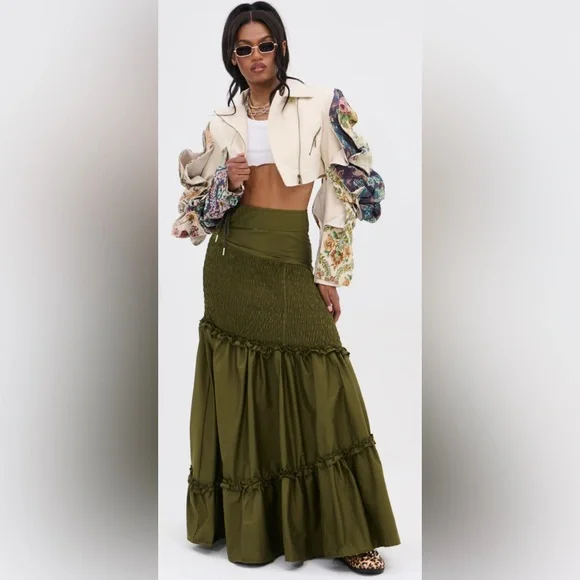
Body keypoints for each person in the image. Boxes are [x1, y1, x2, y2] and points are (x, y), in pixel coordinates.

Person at [172, 2, 401, 575]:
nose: (256, 57)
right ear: (232, 57)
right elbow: (199, 218)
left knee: (322, 381)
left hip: (289, 254)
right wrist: (225, 183)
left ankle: (346, 530)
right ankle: (252, 523)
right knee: (244, 391)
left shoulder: (319, 103)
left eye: (265, 45)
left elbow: (348, 188)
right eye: (243, 48)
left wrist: (328, 272)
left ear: (280, 47)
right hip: (231, 265)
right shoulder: (219, 124)